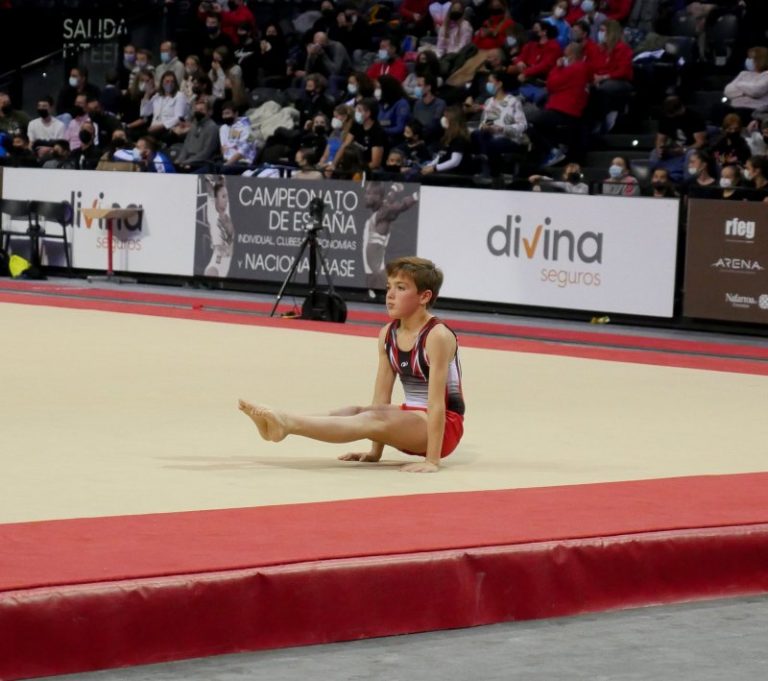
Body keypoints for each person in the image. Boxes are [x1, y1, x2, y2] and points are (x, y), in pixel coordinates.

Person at [238, 256, 465, 473]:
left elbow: (436, 405)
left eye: (401, 288)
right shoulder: (388, 334)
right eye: (389, 287)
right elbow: (380, 400)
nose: (390, 295)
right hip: (410, 419)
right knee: (357, 411)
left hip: (444, 428)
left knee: (372, 418)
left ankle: (288, 423)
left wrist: (432, 460)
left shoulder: (437, 336)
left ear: (425, 296)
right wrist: (375, 452)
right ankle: (283, 420)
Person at [361, 183, 420, 293]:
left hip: (375, 260)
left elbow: (400, 206)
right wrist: (395, 190)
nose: (365, 196)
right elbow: (389, 201)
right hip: (373, 261)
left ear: (377, 196)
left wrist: (414, 197)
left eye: (369, 193)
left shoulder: (383, 213)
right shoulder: (381, 210)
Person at [471, 70, 527, 178]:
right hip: (490, 137)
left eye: (490, 81)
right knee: (476, 134)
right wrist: (485, 127)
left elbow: (522, 125)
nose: (488, 84)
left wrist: (501, 129)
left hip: (509, 139)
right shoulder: (490, 102)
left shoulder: (513, 102)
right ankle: (482, 167)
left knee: (493, 143)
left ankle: (494, 174)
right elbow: (487, 122)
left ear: (499, 83)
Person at [175, 96, 221, 172]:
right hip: (188, 161)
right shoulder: (193, 126)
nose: (198, 112)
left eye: (201, 110)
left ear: (209, 112)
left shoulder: (213, 128)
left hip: (203, 163)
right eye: (196, 110)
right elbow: (186, 147)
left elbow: (206, 153)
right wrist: (179, 160)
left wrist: (187, 162)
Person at [723, 47, 768, 119]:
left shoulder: (766, 75)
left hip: (755, 109)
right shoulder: (743, 74)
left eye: (751, 58)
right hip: (735, 107)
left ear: (760, 59)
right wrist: (747, 91)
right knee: (718, 109)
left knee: (739, 114)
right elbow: (728, 91)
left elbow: (756, 91)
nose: (748, 60)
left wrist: (739, 85)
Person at [202, 176, 234, 276]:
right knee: (211, 274)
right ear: (216, 199)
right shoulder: (213, 213)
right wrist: (208, 178)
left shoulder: (226, 211)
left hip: (226, 262)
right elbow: (210, 192)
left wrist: (222, 180)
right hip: (217, 262)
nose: (226, 200)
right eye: (223, 197)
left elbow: (223, 188)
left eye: (226, 197)